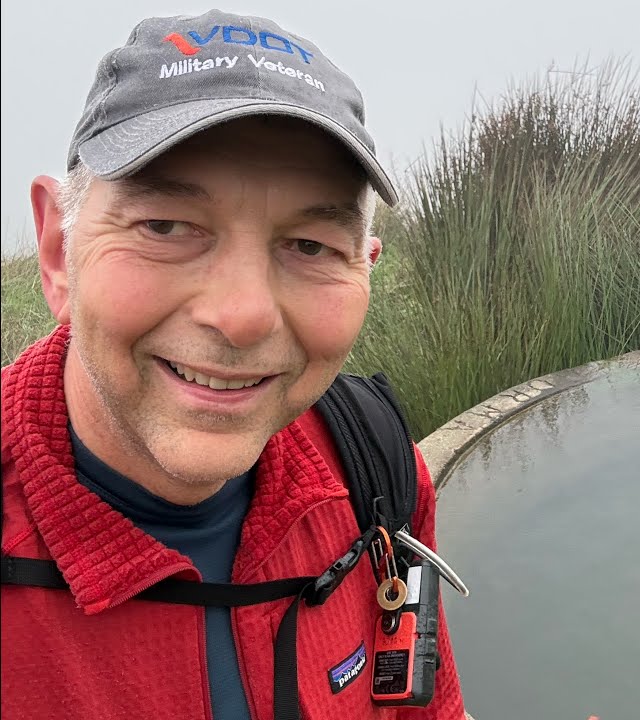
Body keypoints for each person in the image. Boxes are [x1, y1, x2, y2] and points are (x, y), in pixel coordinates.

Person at [0, 9, 467, 720]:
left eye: (310, 245)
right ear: (60, 252)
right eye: (165, 227)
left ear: (364, 268)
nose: (244, 314)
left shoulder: (377, 472)